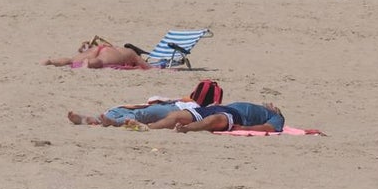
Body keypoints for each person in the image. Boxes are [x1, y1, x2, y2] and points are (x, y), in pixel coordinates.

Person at [68, 80, 223, 126]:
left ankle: (112, 122)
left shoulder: (197, 107)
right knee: (126, 108)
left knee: (140, 114)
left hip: (173, 110)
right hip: (171, 107)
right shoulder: (192, 103)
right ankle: (89, 118)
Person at [138, 101, 286, 133]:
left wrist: (244, 128)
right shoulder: (262, 108)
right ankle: (150, 127)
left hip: (235, 116)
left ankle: (185, 129)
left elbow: (269, 128)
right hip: (220, 107)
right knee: (176, 115)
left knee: (214, 120)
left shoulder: (277, 118)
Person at [42, 41, 147, 68]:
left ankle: (50, 61)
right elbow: (145, 65)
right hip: (109, 52)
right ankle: (89, 63)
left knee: (71, 60)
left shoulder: (117, 47)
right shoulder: (132, 53)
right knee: (101, 61)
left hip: (101, 46)